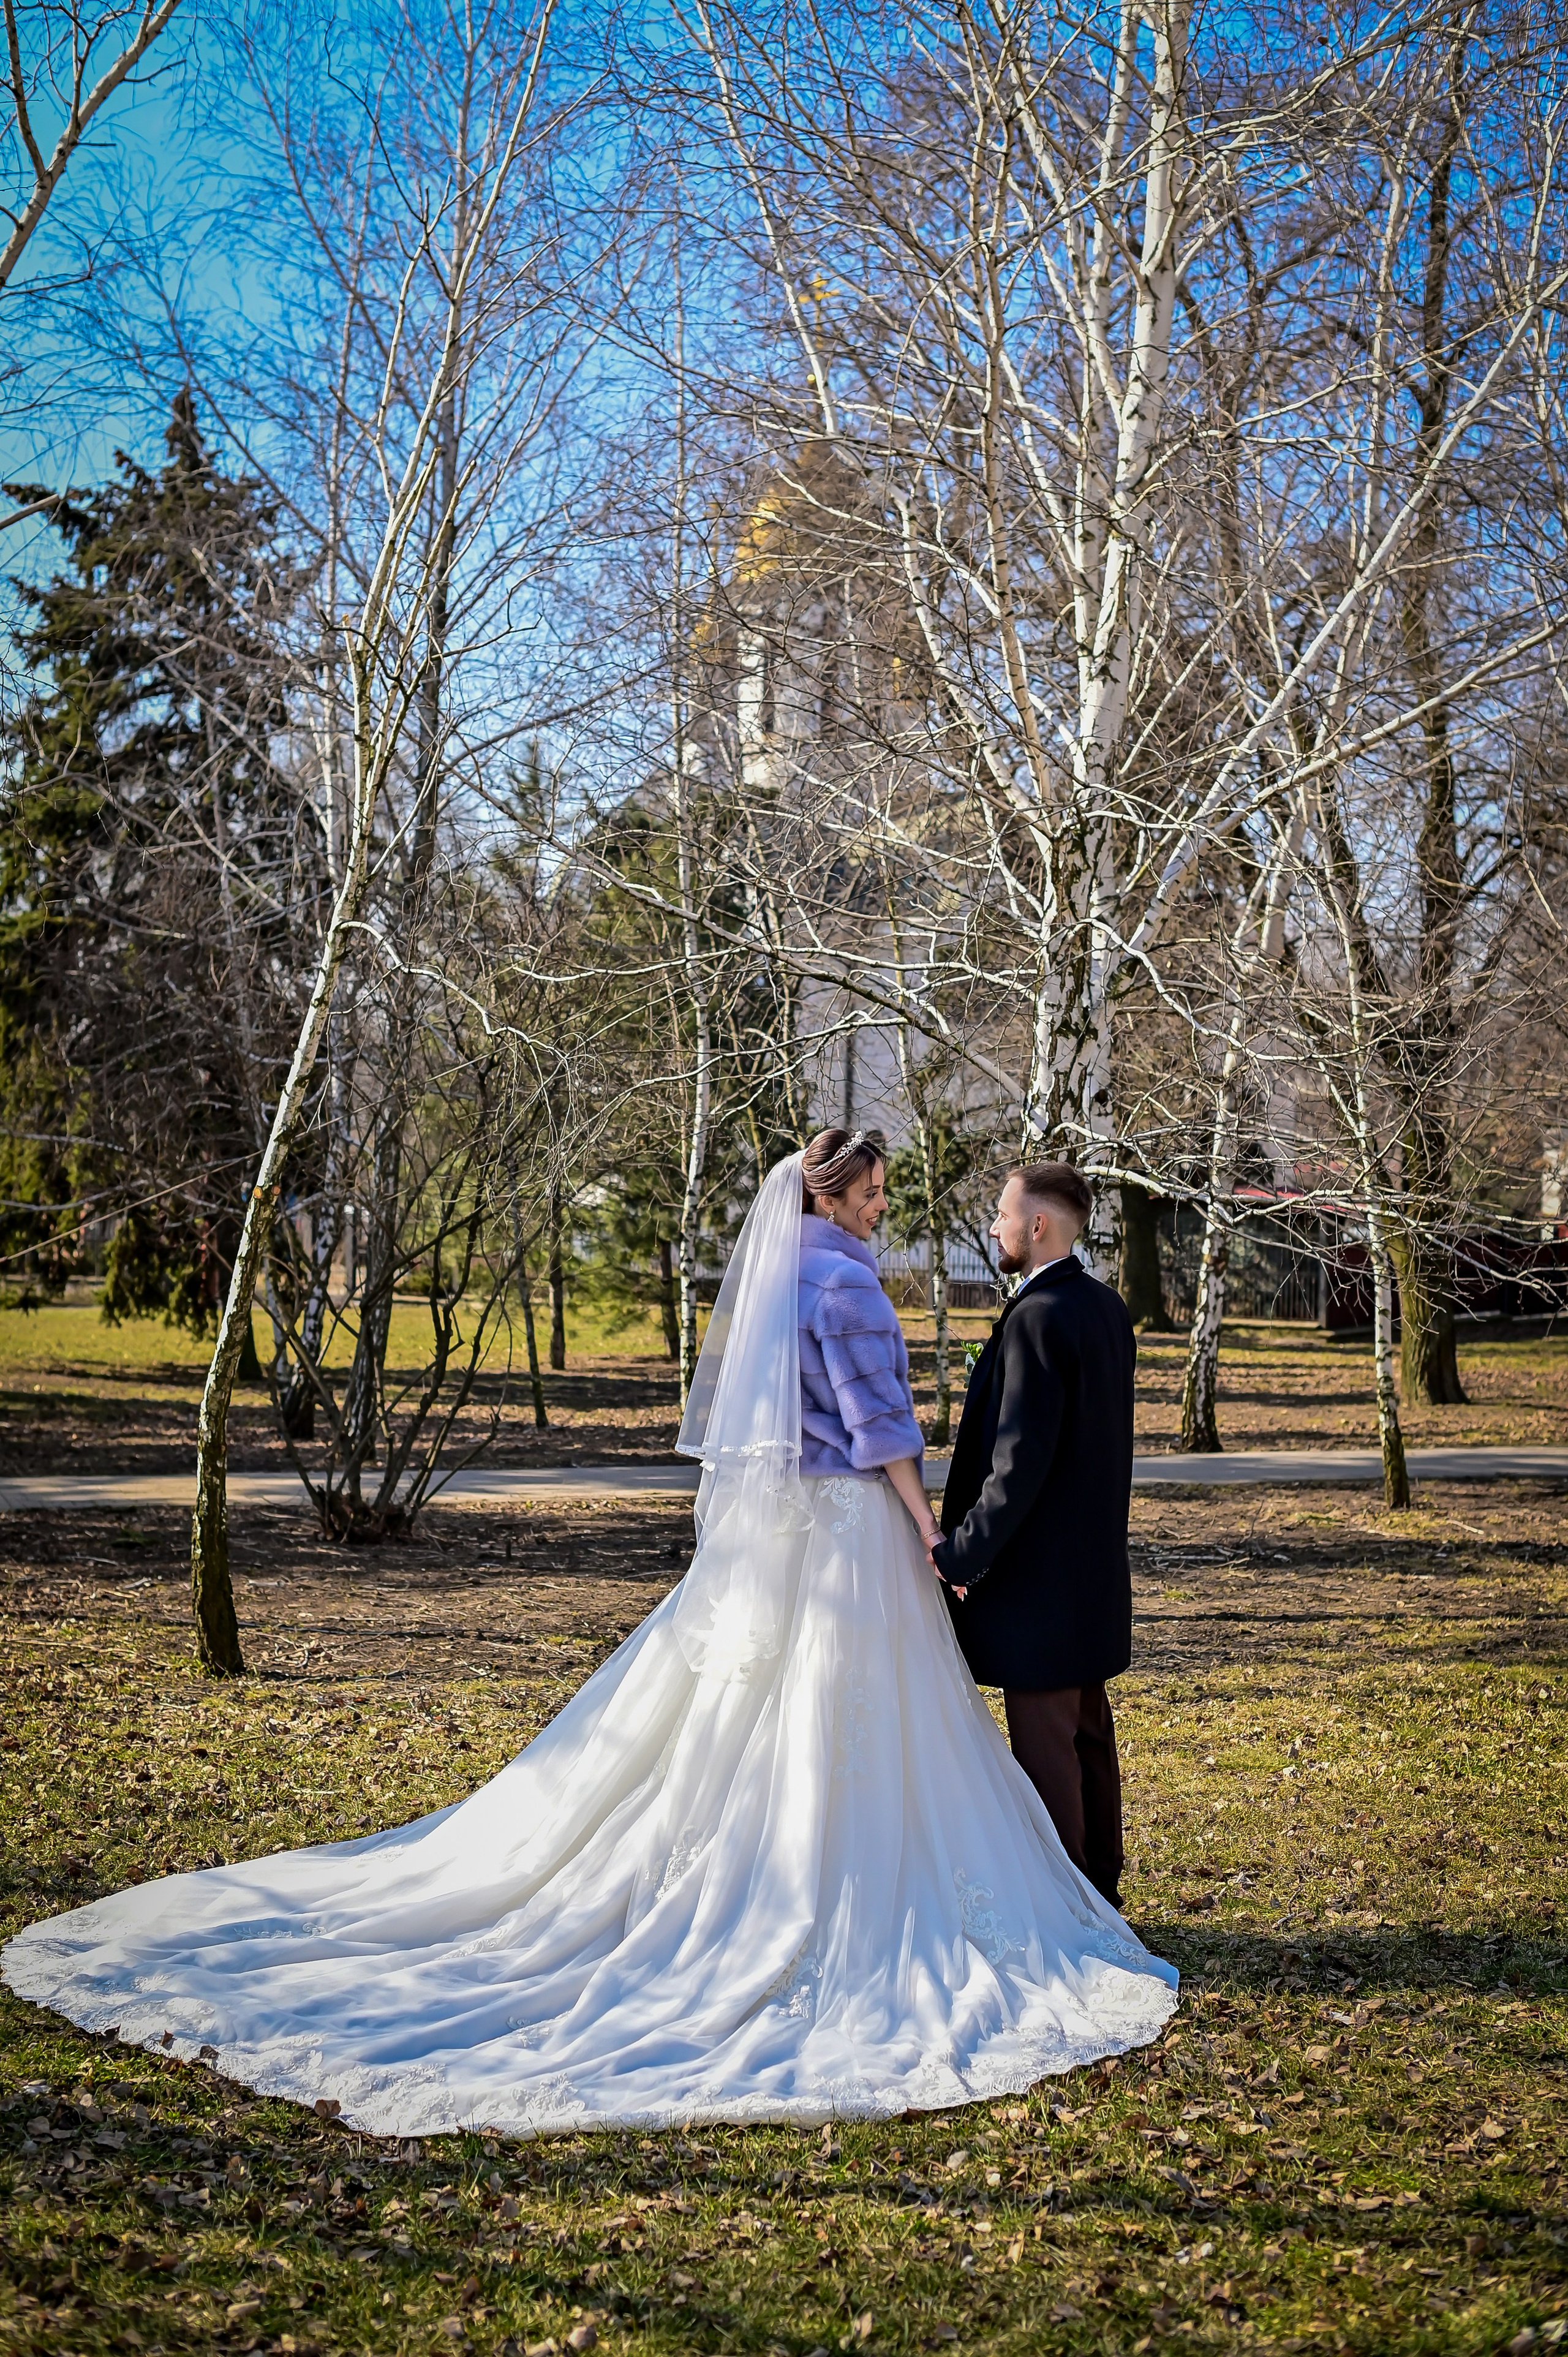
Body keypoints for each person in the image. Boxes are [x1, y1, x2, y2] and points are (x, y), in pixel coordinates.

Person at [3, 1136, 1174, 2136]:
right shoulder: (855, 1286)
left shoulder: (775, 1278)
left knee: (752, 1712)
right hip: (853, 1535)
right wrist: (931, 1533)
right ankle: (949, 1891)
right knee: (859, 1714)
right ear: (829, 1193)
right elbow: (878, 1428)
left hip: (779, 1538)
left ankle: (797, 1870)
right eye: (870, 1193)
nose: (882, 1210)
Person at [932, 1162, 1135, 1910]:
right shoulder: (1105, 1307)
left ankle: (1072, 1910)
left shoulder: (1037, 1317)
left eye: (1001, 1213)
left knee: (1048, 1749)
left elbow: (1017, 1467)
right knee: (1087, 1735)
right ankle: (1102, 1891)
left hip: (1039, 1583)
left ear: (1038, 1225)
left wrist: (960, 1553)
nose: (993, 1225)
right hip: (1090, 1574)